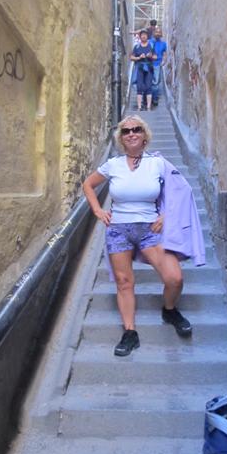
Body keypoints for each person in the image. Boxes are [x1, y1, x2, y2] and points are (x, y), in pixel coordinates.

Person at [83, 115, 204, 357]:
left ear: (144, 135)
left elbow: (181, 190)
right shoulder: (113, 165)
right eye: (126, 131)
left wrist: (167, 214)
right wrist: (98, 210)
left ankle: (169, 309)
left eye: (136, 129)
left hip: (150, 230)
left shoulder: (158, 163)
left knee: (174, 278)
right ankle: (130, 332)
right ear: (121, 138)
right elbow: (88, 184)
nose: (131, 133)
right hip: (118, 230)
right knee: (124, 282)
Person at [130, 30, 156, 111]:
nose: (144, 36)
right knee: (139, 87)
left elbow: (155, 57)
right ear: (140, 36)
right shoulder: (137, 46)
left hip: (149, 68)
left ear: (147, 36)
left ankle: (148, 107)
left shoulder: (151, 46)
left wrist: (150, 56)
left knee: (149, 87)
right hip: (140, 68)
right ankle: (139, 107)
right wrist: (139, 57)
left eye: (145, 35)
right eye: (142, 35)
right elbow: (131, 57)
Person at [151, 27, 167, 107]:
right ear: (154, 33)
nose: (157, 33)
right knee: (154, 82)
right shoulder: (150, 42)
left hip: (158, 64)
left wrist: (164, 61)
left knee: (157, 81)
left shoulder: (163, 44)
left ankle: (153, 97)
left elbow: (164, 53)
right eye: (156, 32)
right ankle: (154, 98)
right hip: (149, 64)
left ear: (161, 34)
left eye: (159, 32)